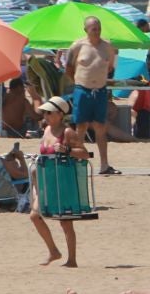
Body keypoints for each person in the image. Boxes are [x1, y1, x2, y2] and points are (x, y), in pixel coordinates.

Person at [28, 95, 87, 267]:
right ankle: (53, 251)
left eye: (50, 113)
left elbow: (84, 153)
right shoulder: (46, 130)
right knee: (34, 215)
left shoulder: (68, 132)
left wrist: (66, 150)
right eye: (45, 113)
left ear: (60, 114)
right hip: (46, 180)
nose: (46, 116)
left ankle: (72, 260)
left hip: (62, 179)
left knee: (65, 222)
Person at [63, 13, 119, 175]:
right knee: (81, 126)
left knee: (101, 126)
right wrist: (79, 81)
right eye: (94, 29)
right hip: (82, 89)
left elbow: (109, 67)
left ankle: (104, 164)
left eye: (99, 29)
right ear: (86, 29)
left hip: (100, 91)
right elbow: (68, 68)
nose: (97, 32)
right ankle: (78, 160)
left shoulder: (107, 46)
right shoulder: (77, 46)